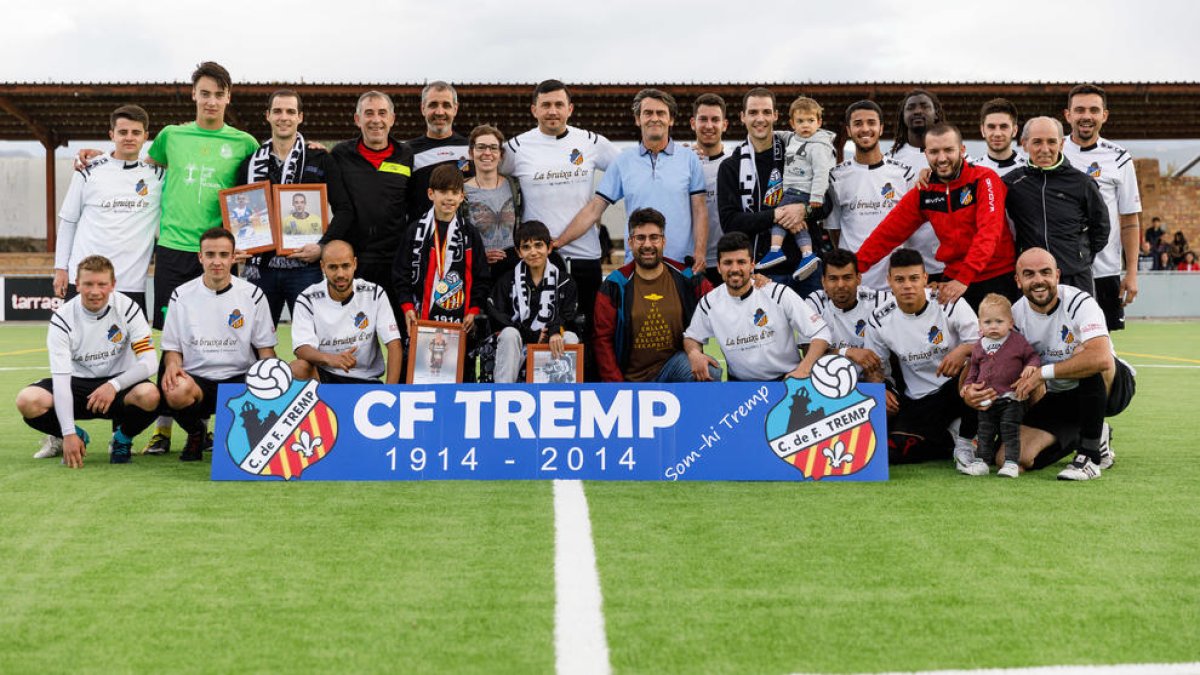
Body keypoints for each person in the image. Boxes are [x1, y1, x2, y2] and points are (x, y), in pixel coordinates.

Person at [142, 62, 258, 456]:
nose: (211, 100)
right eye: (204, 93)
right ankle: (163, 429)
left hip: (221, 251)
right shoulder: (170, 136)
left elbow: (258, 191)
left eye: (218, 93)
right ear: (194, 95)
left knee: (224, 334)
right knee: (172, 340)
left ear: (229, 97)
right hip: (175, 248)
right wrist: (98, 156)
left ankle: (205, 424)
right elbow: (143, 167)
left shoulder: (244, 142)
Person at [964, 248, 1135, 480]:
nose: (1038, 280)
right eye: (1029, 274)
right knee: (1009, 458)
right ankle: (1089, 432)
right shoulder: (1015, 316)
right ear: (1018, 280)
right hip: (1061, 395)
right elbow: (989, 359)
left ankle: (1090, 456)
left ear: (1057, 275)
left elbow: (1102, 358)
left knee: (1085, 354)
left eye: (1045, 272)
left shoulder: (1078, 302)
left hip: (1111, 387)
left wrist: (1042, 373)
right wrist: (968, 391)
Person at [501, 80, 621, 374]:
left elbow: (629, 167)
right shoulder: (517, 146)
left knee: (588, 333)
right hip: (538, 259)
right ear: (534, 110)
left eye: (558, 105)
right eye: (545, 105)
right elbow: (483, 171)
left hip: (584, 257)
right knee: (536, 332)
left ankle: (588, 393)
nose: (552, 111)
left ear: (570, 108)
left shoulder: (592, 142)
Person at [18, 255, 159, 466]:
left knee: (151, 395)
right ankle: (75, 436)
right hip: (77, 385)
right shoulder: (62, 319)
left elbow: (150, 362)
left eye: (102, 284)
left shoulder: (128, 308)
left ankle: (122, 439)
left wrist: (114, 385)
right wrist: (68, 433)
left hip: (117, 386)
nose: (95, 291)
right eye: (88, 284)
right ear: (78, 284)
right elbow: (62, 380)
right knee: (27, 400)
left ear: (113, 285)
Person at [857, 123, 1017, 310]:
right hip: (952, 279)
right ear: (925, 154)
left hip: (995, 277)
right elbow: (888, 233)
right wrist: (854, 266)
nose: (942, 158)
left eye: (949, 150)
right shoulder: (925, 190)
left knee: (996, 337)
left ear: (962, 150)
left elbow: (989, 232)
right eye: (934, 152)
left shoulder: (984, 179)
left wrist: (963, 278)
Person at [558, 88, 708, 274]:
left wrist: (700, 253)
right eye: (648, 113)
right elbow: (594, 209)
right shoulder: (623, 161)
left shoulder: (689, 158)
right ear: (638, 119)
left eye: (661, 113)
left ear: (671, 120)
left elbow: (700, 210)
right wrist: (559, 241)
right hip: (637, 266)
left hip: (681, 266)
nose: (654, 118)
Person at [160, 228, 277, 461]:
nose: (217, 262)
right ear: (200, 257)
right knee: (173, 388)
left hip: (240, 378)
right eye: (210, 254)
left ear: (234, 257)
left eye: (223, 255)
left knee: (273, 378)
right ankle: (196, 433)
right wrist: (172, 366)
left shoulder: (253, 294)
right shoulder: (180, 296)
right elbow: (172, 349)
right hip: (197, 381)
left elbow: (266, 351)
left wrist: (274, 383)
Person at [238, 89, 350, 325]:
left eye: (290, 111)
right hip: (260, 269)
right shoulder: (250, 164)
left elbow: (345, 210)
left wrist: (322, 247)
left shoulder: (320, 158)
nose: (284, 117)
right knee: (255, 341)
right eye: (277, 111)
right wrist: (238, 244)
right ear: (267, 115)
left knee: (312, 341)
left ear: (300, 116)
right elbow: (238, 213)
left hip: (304, 268)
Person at [863, 248, 979, 466]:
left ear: (925, 278)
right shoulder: (879, 319)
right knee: (891, 454)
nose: (907, 285)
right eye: (900, 279)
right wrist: (883, 390)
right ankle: (950, 439)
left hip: (956, 390)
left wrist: (963, 350)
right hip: (919, 400)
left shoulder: (949, 303)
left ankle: (965, 434)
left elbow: (988, 347)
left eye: (914, 278)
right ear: (889, 281)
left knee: (976, 368)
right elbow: (877, 369)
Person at [54, 105, 162, 316]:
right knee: (78, 346)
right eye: (123, 132)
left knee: (130, 348)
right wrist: (60, 268)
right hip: (86, 280)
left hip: (131, 284)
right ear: (112, 134)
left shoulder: (158, 176)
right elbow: (69, 221)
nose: (129, 137)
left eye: (136, 132)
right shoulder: (87, 170)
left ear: (146, 136)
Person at [684, 232, 830, 381]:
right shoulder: (709, 303)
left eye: (741, 262)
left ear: (752, 265)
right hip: (741, 387)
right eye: (728, 263)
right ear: (719, 267)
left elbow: (821, 332)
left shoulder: (777, 293)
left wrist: (804, 370)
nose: (735, 269)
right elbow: (691, 337)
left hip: (785, 381)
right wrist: (694, 354)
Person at [824, 100, 938, 290]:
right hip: (855, 283)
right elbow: (835, 229)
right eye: (858, 124)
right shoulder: (836, 176)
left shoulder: (904, 174)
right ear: (849, 130)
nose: (865, 129)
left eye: (871, 123)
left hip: (895, 284)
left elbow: (914, 225)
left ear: (881, 128)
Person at [593, 208, 716, 382]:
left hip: (673, 368)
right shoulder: (614, 285)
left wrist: (753, 282)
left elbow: (721, 301)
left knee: (710, 371)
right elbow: (602, 340)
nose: (648, 245)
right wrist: (617, 387)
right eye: (640, 238)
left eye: (654, 237)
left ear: (663, 241)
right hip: (630, 379)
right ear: (630, 242)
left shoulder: (688, 278)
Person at [394, 164, 490, 380]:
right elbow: (400, 272)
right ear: (431, 194)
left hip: (459, 321)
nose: (449, 198)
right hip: (422, 318)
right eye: (443, 192)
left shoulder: (469, 234)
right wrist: (407, 306)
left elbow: (481, 276)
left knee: (458, 378)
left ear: (462, 196)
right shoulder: (416, 230)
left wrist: (474, 310)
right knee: (420, 376)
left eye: (454, 192)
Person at [1062, 83, 1143, 331]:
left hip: (1104, 270)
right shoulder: (1053, 151)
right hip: (1062, 269)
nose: (1087, 116)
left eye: (1094, 110)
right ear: (1068, 115)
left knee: (1102, 346)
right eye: (1080, 110)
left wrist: (1131, 273)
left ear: (1104, 115)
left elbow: (1129, 219)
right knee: (1060, 342)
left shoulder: (1119, 157)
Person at [326, 91, 414, 317]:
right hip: (355, 260)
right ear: (358, 119)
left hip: (395, 260)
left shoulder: (406, 155)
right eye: (369, 113)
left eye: (382, 113)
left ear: (392, 119)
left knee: (398, 331)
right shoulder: (340, 154)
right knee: (355, 330)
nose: (376, 120)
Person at [716, 88, 812, 293]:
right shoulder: (730, 167)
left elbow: (827, 204)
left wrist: (803, 211)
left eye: (766, 112)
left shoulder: (799, 154)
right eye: (753, 113)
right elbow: (730, 223)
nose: (760, 119)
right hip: (762, 274)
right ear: (742, 117)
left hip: (807, 268)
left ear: (776, 115)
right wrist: (777, 215)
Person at [1003, 116, 1110, 292]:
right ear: (1024, 144)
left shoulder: (1082, 183)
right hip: (1032, 278)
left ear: (1061, 144)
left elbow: (1101, 228)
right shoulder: (1012, 183)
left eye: (1052, 142)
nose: (1045, 149)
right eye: (1037, 142)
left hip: (1075, 276)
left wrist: (1079, 257)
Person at [289, 240, 402, 385]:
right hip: (325, 375)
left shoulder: (374, 294)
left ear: (354, 264)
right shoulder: (307, 299)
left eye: (345, 266)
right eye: (333, 267)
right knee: (297, 368)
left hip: (366, 379)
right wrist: (331, 359)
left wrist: (389, 392)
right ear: (322, 266)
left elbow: (394, 345)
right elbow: (301, 349)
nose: (340, 274)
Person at [485, 221, 580, 383]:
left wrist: (554, 330)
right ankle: (503, 393)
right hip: (517, 342)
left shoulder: (565, 281)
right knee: (509, 333)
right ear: (519, 252)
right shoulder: (507, 280)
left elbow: (569, 314)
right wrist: (529, 334)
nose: (533, 252)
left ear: (549, 248)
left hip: (550, 340)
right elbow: (496, 313)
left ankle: (561, 393)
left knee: (570, 337)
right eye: (526, 247)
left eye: (538, 245)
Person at [959, 294, 1041, 478]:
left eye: (999, 321)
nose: (993, 326)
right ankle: (982, 462)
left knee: (1009, 429)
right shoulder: (980, 345)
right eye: (988, 322)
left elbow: (1033, 356)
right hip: (987, 399)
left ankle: (1011, 462)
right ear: (980, 325)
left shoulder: (1017, 341)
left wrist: (1031, 366)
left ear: (1010, 323)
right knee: (985, 431)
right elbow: (974, 368)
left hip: (1012, 398)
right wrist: (968, 385)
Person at [755, 96, 835, 281]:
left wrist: (816, 197)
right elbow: (781, 134)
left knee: (780, 216)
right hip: (793, 190)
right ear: (792, 123)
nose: (805, 125)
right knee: (797, 225)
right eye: (800, 121)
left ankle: (775, 250)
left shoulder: (818, 146)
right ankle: (807, 255)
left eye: (810, 121)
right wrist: (767, 131)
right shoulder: (792, 138)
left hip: (802, 191)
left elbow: (821, 172)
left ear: (819, 122)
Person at [804, 248, 889, 380]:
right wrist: (847, 352)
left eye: (847, 277)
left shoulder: (879, 300)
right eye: (833, 279)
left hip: (876, 381)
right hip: (829, 383)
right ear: (823, 281)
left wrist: (932, 292)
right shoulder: (815, 302)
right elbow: (807, 352)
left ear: (859, 278)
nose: (841, 285)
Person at [405, 81, 471, 225]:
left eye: (446, 105)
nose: (440, 112)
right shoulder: (407, 152)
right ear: (423, 109)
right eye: (433, 105)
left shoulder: (470, 149)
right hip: (422, 240)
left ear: (455, 108)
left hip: (462, 240)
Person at [463, 124, 519, 282]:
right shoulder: (461, 192)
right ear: (470, 152)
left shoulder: (514, 186)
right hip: (477, 272)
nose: (487, 153)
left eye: (493, 148)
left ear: (500, 154)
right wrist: (478, 255)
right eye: (481, 147)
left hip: (511, 270)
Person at [688, 93, 731, 287]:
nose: (709, 125)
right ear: (693, 123)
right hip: (691, 260)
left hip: (727, 260)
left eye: (715, 119)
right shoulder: (682, 161)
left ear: (725, 124)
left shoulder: (736, 162)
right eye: (703, 119)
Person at [888, 89, 945, 169]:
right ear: (903, 116)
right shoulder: (890, 159)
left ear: (936, 114)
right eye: (911, 108)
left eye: (925, 107)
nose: (917, 111)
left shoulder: (955, 155)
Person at [975, 98, 1027, 177]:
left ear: (1015, 130)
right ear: (982, 130)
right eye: (991, 127)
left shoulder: (1028, 170)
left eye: (1004, 126)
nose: (997, 134)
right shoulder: (972, 172)